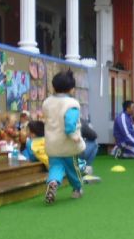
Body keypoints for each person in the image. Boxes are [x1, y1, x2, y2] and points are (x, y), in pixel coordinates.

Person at [41, 70, 86, 204]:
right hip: (68, 145)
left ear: (54, 87)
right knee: (73, 169)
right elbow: (70, 124)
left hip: (52, 143)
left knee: (55, 167)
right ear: (71, 89)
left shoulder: (47, 102)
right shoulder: (71, 104)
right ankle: (77, 189)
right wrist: (73, 135)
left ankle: (53, 182)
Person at [79, 117, 101, 183]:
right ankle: (86, 169)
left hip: (56, 155)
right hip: (72, 155)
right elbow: (94, 135)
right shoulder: (78, 120)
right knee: (94, 142)